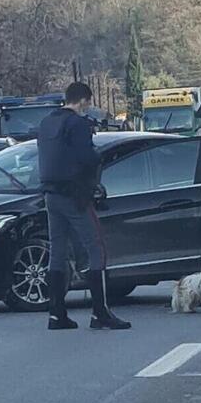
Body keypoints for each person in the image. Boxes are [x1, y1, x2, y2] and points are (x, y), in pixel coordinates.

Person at [38, 82, 130, 331]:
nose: (87, 108)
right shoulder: (78, 124)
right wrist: (98, 161)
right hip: (75, 195)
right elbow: (86, 158)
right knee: (96, 248)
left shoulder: (47, 122)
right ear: (82, 101)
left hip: (50, 195)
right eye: (87, 104)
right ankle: (100, 313)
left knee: (57, 251)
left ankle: (56, 314)